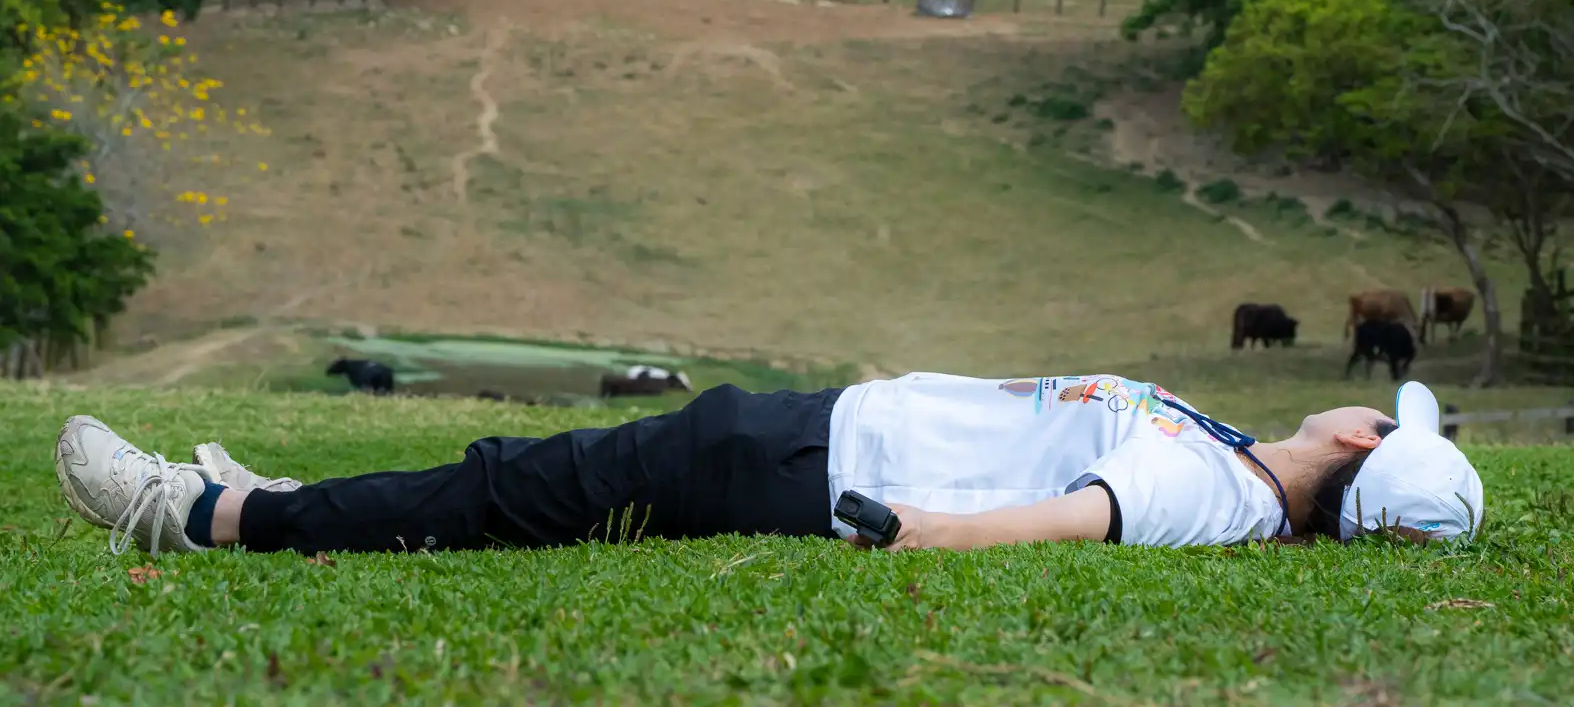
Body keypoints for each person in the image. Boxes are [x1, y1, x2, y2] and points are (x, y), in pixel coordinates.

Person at [52, 374, 1482, 558]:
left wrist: (896, 531)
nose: (1363, 405)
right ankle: (283, 499)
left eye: (1376, 413)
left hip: (805, 460)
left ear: (1362, 446)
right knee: (524, 477)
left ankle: (203, 513)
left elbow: (1073, 518)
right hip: (817, 429)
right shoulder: (1238, 467)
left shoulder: (1216, 495)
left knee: (515, 486)